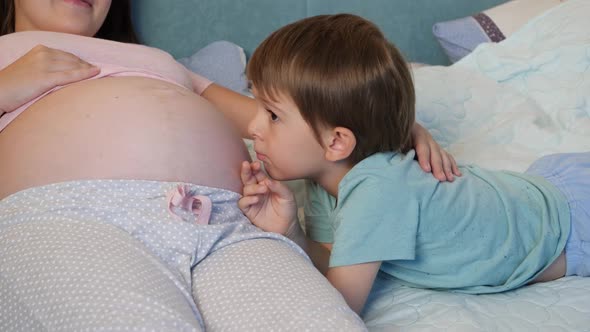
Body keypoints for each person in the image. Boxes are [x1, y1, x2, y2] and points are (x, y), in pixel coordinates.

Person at [0, 1, 461, 330]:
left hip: (231, 221)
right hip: (75, 219)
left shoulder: (156, 62)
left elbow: (312, 121)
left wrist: (393, 125)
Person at [238, 13, 590, 315]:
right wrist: (290, 231)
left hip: (574, 224)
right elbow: (338, 259)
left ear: (337, 141)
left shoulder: (376, 191)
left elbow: (337, 308)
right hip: (540, 194)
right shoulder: (322, 178)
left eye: (272, 115)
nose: (253, 129)